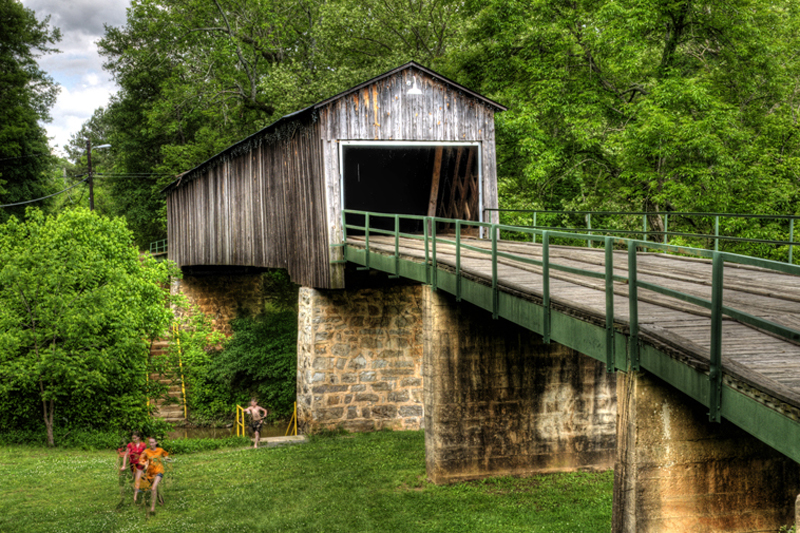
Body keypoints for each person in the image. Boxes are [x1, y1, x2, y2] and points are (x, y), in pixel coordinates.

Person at [138, 437, 169, 514]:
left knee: (153, 487)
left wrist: (167, 459)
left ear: (156, 443)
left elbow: (165, 455)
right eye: (150, 442)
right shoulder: (146, 452)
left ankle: (152, 508)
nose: (151, 444)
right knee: (155, 489)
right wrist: (144, 465)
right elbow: (141, 461)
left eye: (152, 442)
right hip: (150, 473)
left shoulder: (160, 450)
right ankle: (161, 499)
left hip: (159, 471)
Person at [119, 431, 146, 503]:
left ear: (139, 438)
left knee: (137, 479)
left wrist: (146, 463)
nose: (133, 439)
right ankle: (143, 487)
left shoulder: (143, 445)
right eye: (132, 438)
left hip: (140, 464)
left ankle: (135, 497)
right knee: (135, 478)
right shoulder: (130, 445)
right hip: (132, 464)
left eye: (135, 438)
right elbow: (125, 455)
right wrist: (124, 465)